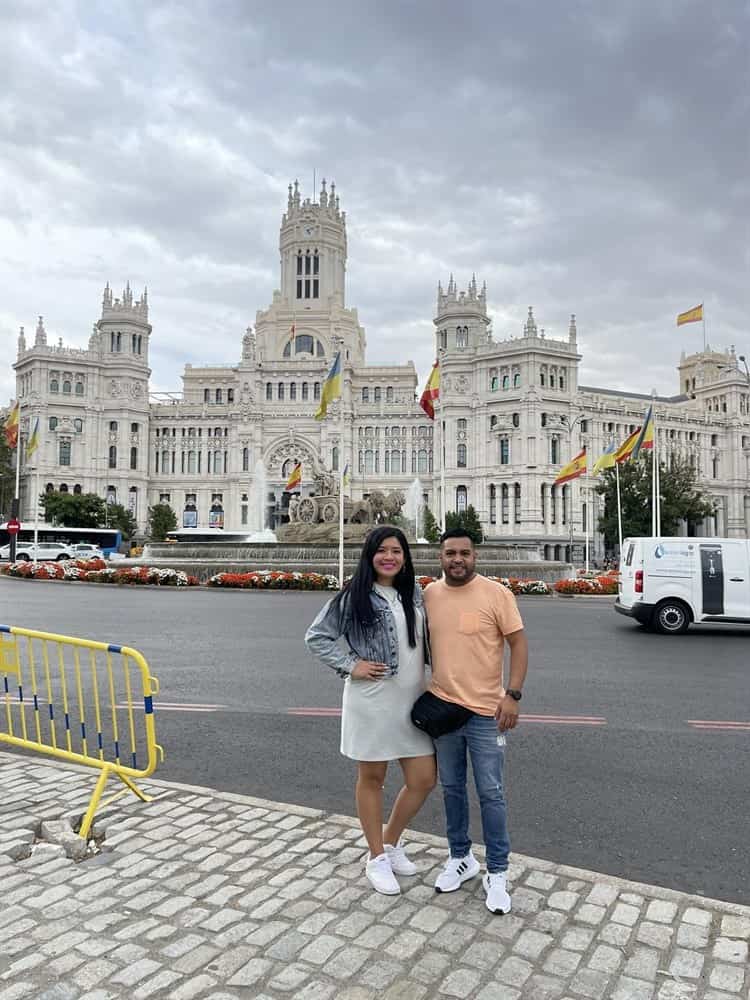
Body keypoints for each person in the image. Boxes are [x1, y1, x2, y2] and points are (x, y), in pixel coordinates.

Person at [305, 525, 436, 895]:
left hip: (412, 699)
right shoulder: (356, 594)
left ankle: (391, 841)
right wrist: (351, 664)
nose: (389, 557)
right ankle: (376, 856)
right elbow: (317, 636)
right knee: (373, 778)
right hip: (373, 698)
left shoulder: (413, 592)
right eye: (382, 550)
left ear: (405, 557)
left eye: (396, 550)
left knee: (424, 778)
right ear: (370, 555)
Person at [423, 528, 528, 914]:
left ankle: (497, 871)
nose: (457, 560)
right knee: (451, 788)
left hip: (487, 712)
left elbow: (518, 643)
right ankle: (461, 857)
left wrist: (512, 694)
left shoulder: (496, 594)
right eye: (450, 553)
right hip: (444, 710)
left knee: (491, 793)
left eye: (464, 553)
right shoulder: (430, 595)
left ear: (474, 556)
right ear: (440, 557)